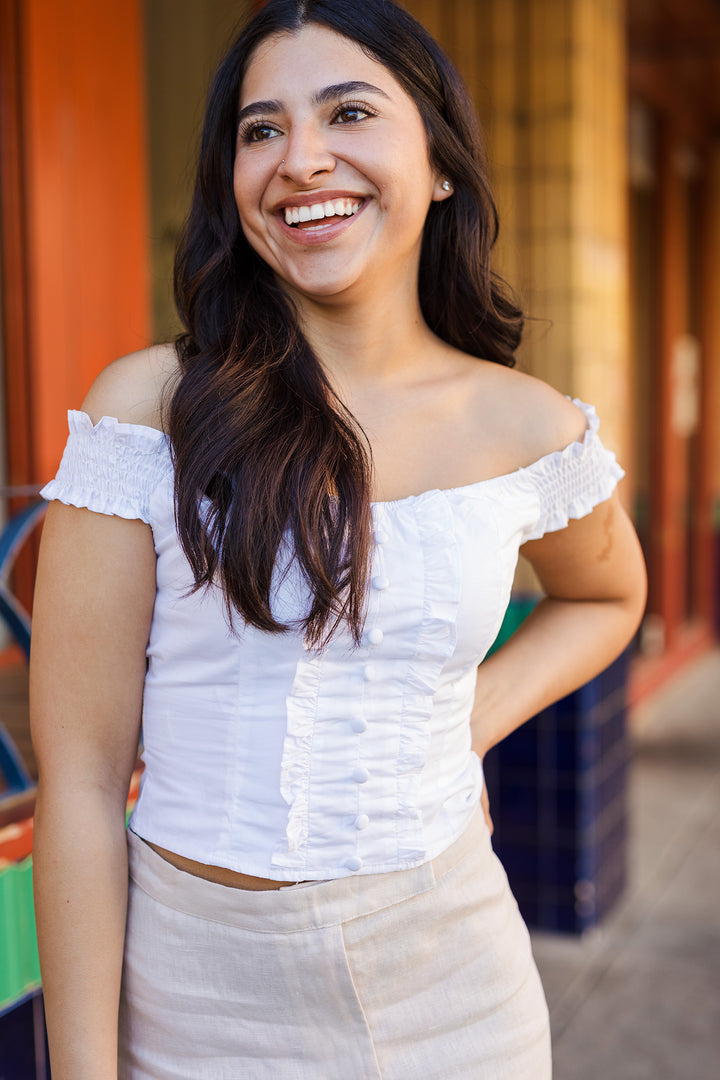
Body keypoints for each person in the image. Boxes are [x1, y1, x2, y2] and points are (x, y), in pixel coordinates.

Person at [29, 1, 647, 1077]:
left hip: (456, 989)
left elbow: (608, 597)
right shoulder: (148, 412)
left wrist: (478, 715)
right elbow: (79, 779)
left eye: (349, 112)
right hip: (193, 1001)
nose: (300, 160)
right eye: (260, 130)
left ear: (441, 164)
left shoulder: (528, 424)